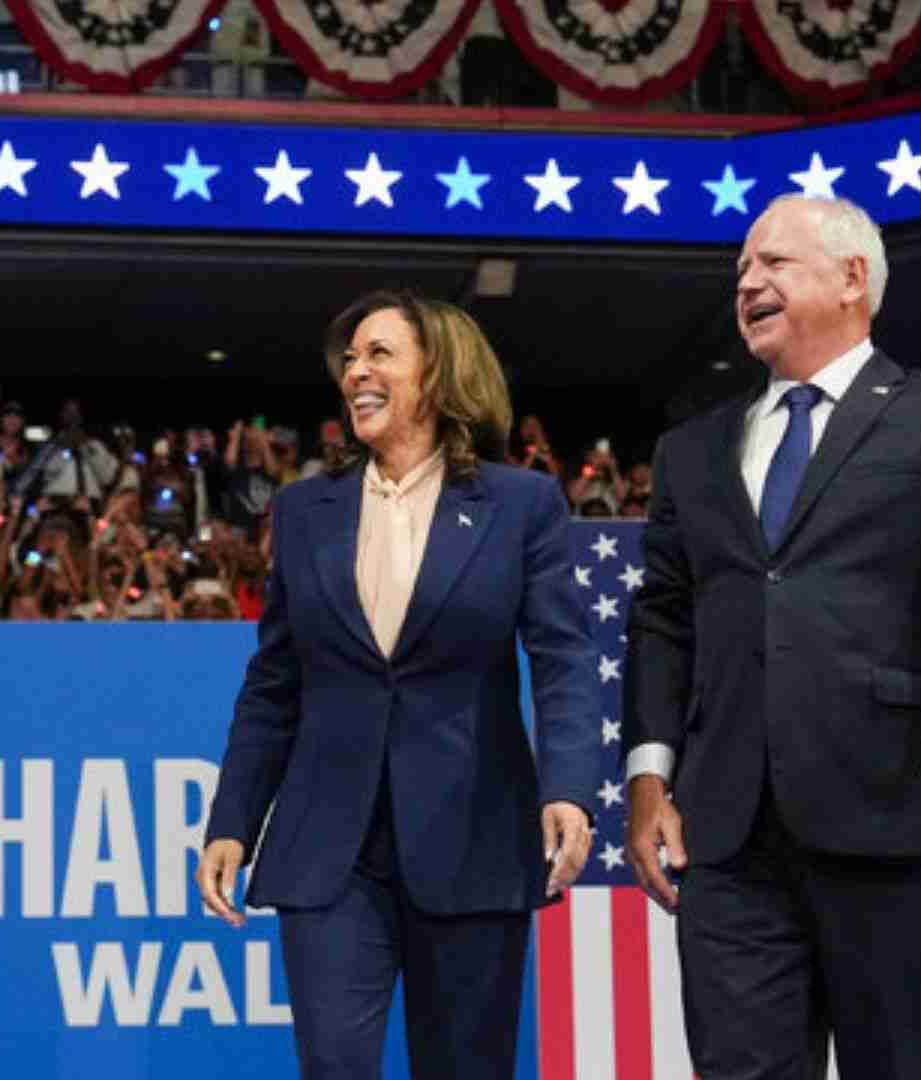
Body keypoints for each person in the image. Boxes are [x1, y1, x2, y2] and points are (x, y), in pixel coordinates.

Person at [622, 195, 921, 1080]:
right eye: (742, 268)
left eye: (774, 263)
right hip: (727, 837)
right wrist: (650, 776)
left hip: (892, 810)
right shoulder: (691, 450)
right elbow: (664, 619)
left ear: (854, 278)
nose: (747, 282)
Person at [196, 289, 602, 1080]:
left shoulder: (520, 504)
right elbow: (275, 683)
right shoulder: (307, 509)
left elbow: (562, 656)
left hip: (473, 836)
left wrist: (570, 787)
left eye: (380, 353)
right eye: (349, 360)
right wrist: (232, 820)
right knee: (336, 1065)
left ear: (439, 373)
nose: (357, 372)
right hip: (331, 847)